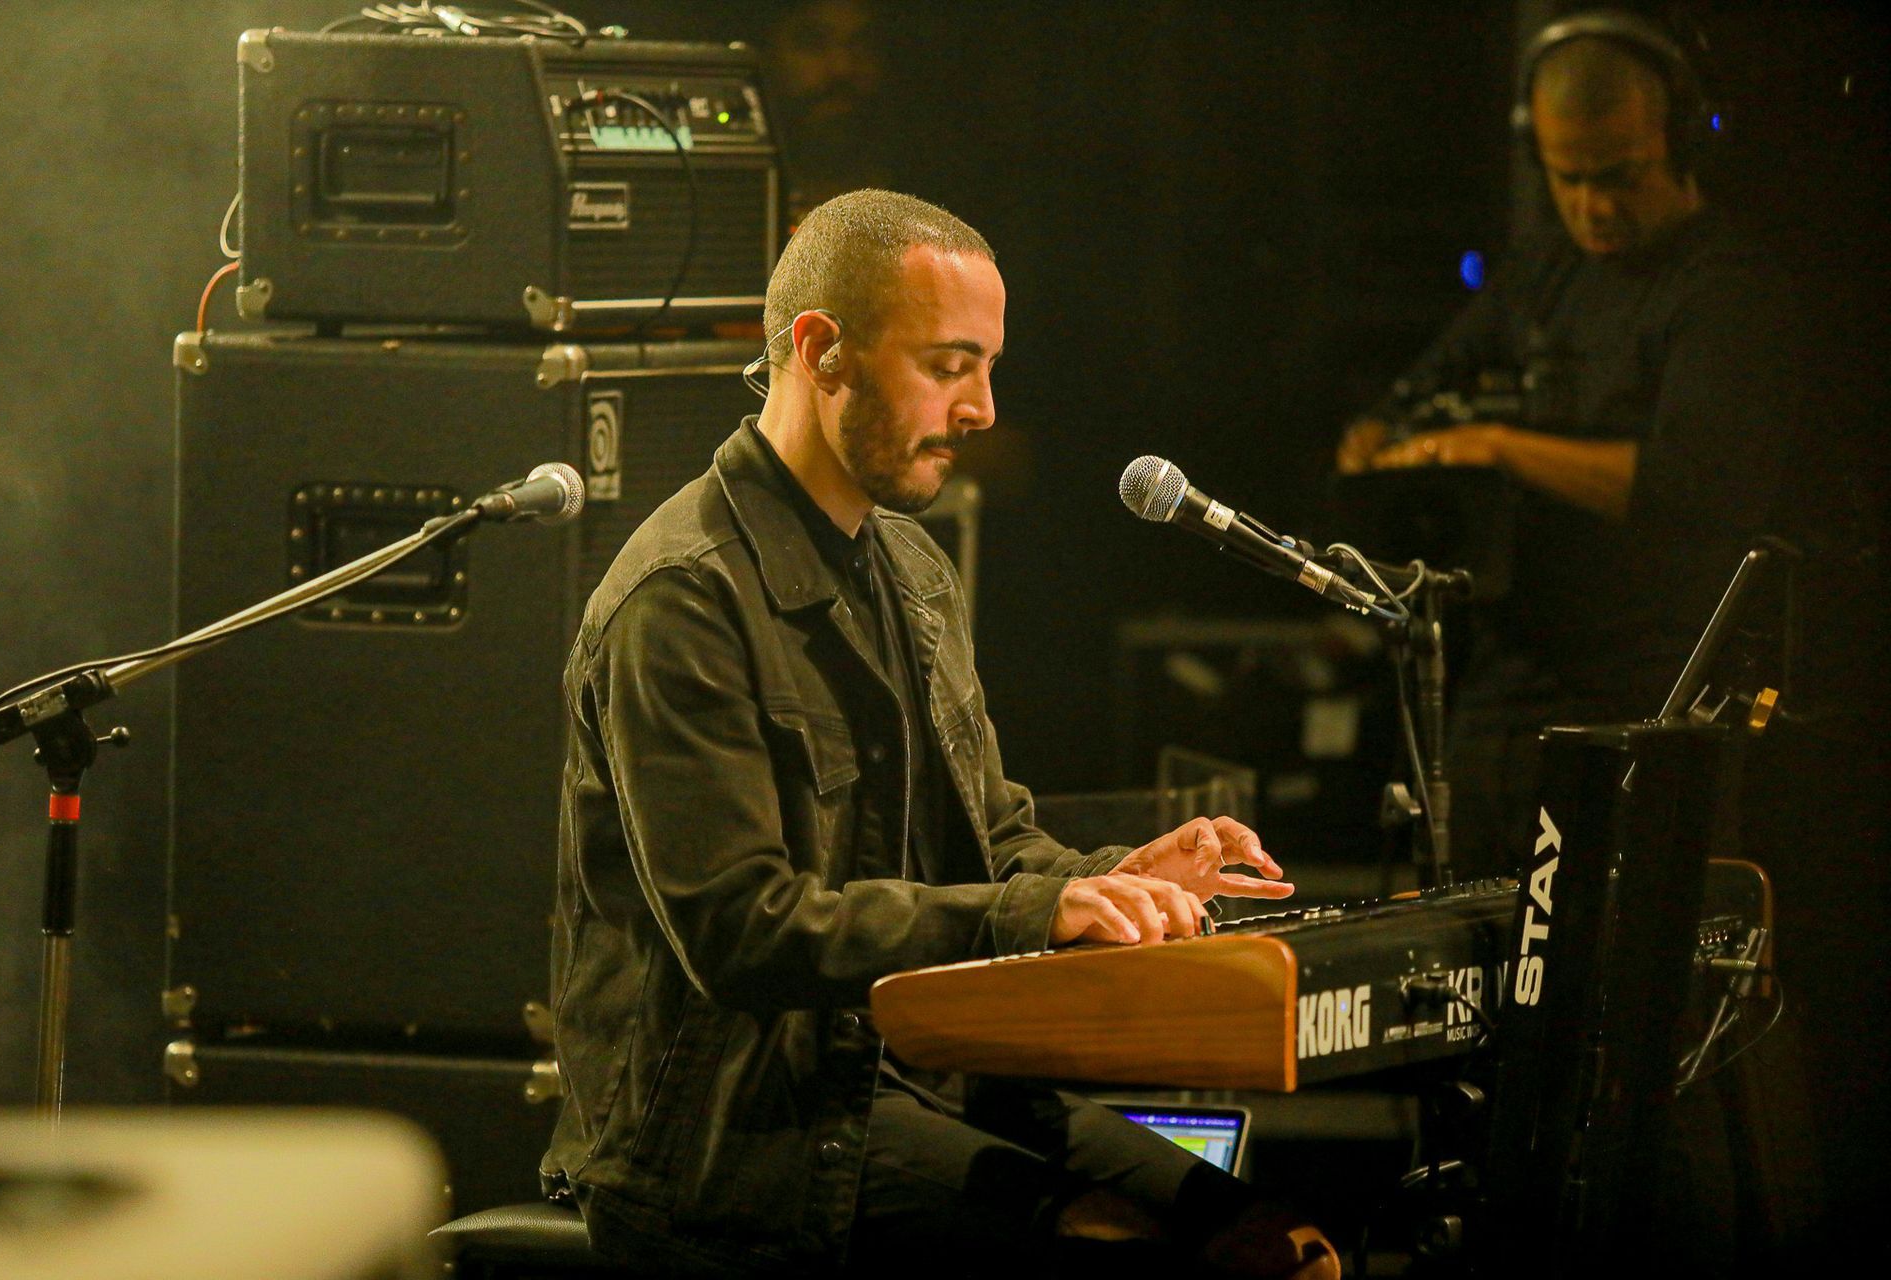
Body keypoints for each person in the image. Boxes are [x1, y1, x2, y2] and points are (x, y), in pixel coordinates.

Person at [541, 189, 1338, 1278]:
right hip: (737, 1128)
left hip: (916, 1071)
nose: (983, 410)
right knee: (1120, 1241)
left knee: (1279, 1244)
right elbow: (739, 929)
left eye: (988, 368)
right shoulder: (683, 597)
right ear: (821, 351)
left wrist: (1115, 879)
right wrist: (1041, 909)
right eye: (950, 366)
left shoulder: (912, 568)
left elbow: (991, 844)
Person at [1336, 11, 1796, 877]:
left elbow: (1693, 484)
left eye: (1620, 177)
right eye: (1568, 178)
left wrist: (1498, 445)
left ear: (1682, 141)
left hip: (1653, 687)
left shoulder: (1724, 289)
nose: (1594, 206)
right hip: (1510, 681)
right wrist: (1378, 444)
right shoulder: (1545, 273)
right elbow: (1410, 398)